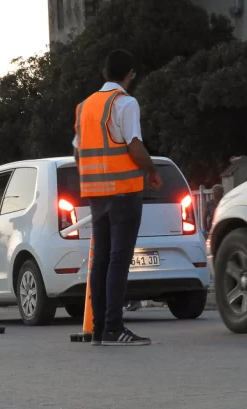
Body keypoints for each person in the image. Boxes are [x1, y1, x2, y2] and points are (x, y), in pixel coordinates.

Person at [73, 49, 161, 346]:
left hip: (96, 194)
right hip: (124, 192)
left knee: (100, 260)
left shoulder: (84, 107)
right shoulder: (125, 103)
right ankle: (114, 326)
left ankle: (99, 329)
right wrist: (151, 169)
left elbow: (78, 152)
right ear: (130, 75)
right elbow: (134, 146)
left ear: (104, 72)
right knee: (118, 260)